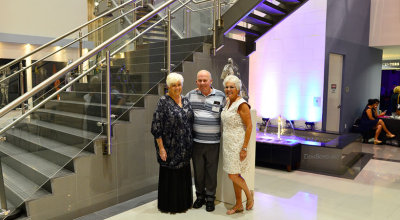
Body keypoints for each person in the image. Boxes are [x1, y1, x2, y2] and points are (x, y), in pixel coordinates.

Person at [151, 72, 194, 213]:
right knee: (171, 176)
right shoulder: (163, 102)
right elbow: (156, 127)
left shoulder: (186, 100)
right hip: (170, 147)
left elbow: (190, 121)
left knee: (183, 175)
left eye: (179, 84)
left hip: (185, 147)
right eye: (173, 85)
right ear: (168, 87)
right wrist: (161, 149)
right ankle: (171, 205)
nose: (177, 88)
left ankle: (185, 203)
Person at [186, 70, 225, 212]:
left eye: (205, 80)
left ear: (211, 81)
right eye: (200, 80)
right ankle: (200, 196)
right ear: (196, 82)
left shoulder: (220, 95)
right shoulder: (190, 95)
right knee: (198, 171)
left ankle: (210, 198)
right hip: (196, 142)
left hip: (213, 143)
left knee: (211, 171)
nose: (202, 83)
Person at [221, 75, 254, 215]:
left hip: (237, 145)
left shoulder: (242, 104)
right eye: (227, 87)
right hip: (228, 144)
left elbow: (250, 126)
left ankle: (249, 195)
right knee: (234, 174)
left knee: (233, 175)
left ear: (238, 89)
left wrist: (244, 147)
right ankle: (239, 204)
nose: (228, 89)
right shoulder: (228, 101)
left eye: (231, 87)